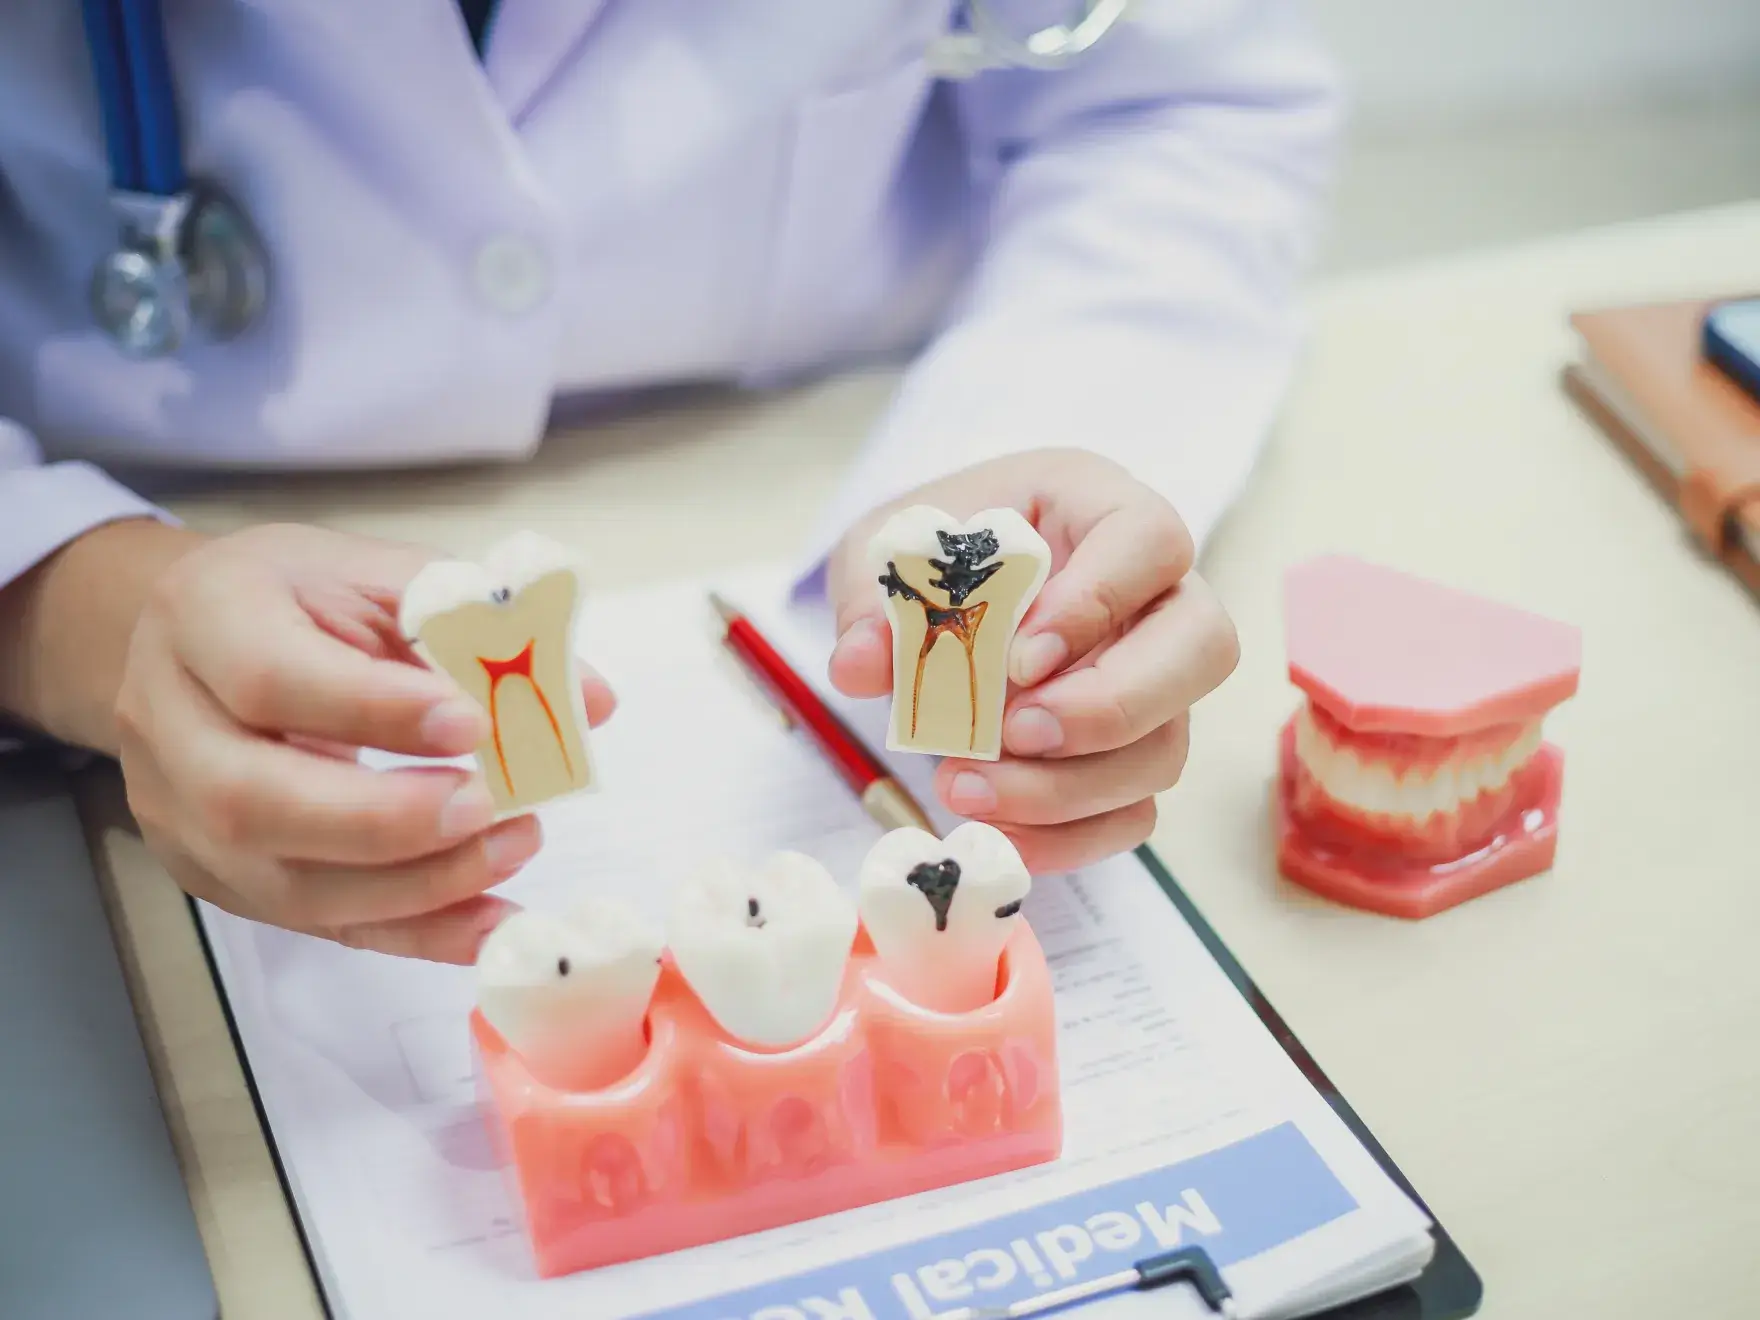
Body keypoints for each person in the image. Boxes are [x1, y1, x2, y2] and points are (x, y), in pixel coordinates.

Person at [0, 1, 1342, 963]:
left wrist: (1016, 469)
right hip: (141, 498)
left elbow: (1179, 101)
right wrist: (67, 596)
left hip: (818, 440)